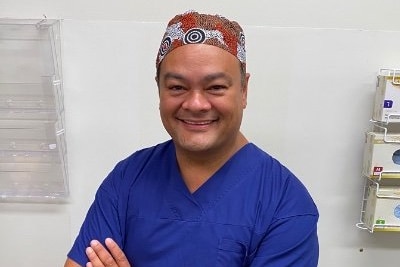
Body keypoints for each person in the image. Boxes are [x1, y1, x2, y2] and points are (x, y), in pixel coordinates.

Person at [64, 10, 319, 267]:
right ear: (159, 90)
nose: (196, 103)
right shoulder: (128, 178)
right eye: (177, 87)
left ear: (243, 90)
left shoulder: (285, 204)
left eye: (215, 87)